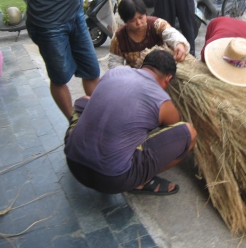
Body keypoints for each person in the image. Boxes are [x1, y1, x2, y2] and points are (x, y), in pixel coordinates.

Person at [64, 49, 197, 195]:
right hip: (111, 180)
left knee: (84, 100)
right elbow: (172, 125)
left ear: (143, 66)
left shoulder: (115, 72)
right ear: (168, 78)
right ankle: (142, 181)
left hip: (73, 163)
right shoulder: (162, 100)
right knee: (189, 133)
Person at [108, 0, 190, 69]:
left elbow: (171, 34)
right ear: (125, 22)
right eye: (132, 20)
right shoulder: (119, 37)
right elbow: (114, 63)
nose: (139, 23)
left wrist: (179, 44)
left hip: (161, 71)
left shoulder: (157, 24)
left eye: (141, 17)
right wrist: (128, 72)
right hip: (135, 76)